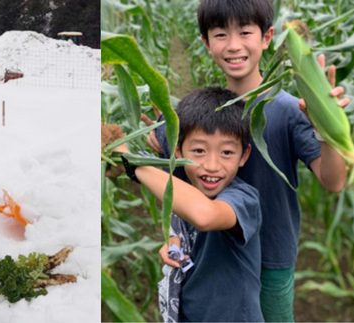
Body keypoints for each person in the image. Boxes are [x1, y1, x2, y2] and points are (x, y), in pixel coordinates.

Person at [147, 1, 348, 321]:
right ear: (206, 42)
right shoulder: (203, 114)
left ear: (267, 37)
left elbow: (334, 181)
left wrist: (327, 128)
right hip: (215, 255)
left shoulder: (290, 110)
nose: (234, 45)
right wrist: (173, 237)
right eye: (221, 34)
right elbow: (181, 188)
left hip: (272, 258)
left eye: (245, 32)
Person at [108, 87, 263, 322]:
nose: (211, 165)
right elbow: (182, 211)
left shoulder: (243, 200)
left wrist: (132, 163)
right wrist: (174, 243)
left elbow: (205, 216)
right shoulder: (185, 188)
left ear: (244, 155)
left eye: (227, 152)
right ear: (179, 150)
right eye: (199, 150)